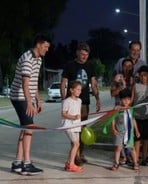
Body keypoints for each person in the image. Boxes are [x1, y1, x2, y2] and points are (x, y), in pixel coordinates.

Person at [10, 34, 51, 175]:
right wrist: (29, 103)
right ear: (38, 44)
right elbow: (25, 83)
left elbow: (33, 82)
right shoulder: (27, 58)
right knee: (29, 128)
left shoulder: (38, 59)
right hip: (19, 96)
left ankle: (17, 163)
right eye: (46, 46)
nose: (47, 49)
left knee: (25, 128)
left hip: (26, 96)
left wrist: (38, 100)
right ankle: (26, 164)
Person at [60, 42, 101, 165]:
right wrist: (63, 99)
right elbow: (63, 83)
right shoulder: (69, 65)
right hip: (72, 102)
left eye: (86, 55)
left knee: (82, 129)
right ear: (77, 52)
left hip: (84, 103)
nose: (84, 57)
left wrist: (97, 98)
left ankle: (80, 153)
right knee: (74, 129)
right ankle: (75, 156)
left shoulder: (90, 66)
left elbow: (93, 84)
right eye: (82, 54)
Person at [111, 88, 140, 171]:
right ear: (120, 100)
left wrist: (137, 130)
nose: (126, 101)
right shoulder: (117, 108)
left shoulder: (131, 109)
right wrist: (113, 129)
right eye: (124, 99)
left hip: (129, 132)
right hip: (119, 132)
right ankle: (116, 163)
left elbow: (133, 120)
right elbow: (112, 119)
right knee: (118, 148)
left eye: (128, 99)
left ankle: (135, 162)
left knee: (131, 148)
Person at [131, 65, 148, 166]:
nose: (143, 77)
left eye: (145, 75)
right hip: (137, 117)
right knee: (137, 139)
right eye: (141, 75)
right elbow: (132, 100)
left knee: (146, 139)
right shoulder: (135, 86)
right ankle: (136, 160)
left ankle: (144, 158)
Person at [61, 81, 83, 173]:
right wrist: (73, 117)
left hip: (76, 126)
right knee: (76, 144)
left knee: (76, 144)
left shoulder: (79, 101)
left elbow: (79, 113)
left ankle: (68, 162)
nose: (79, 91)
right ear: (71, 90)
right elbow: (63, 114)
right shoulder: (67, 101)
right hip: (69, 125)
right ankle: (71, 165)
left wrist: (80, 123)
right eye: (77, 89)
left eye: (80, 90)